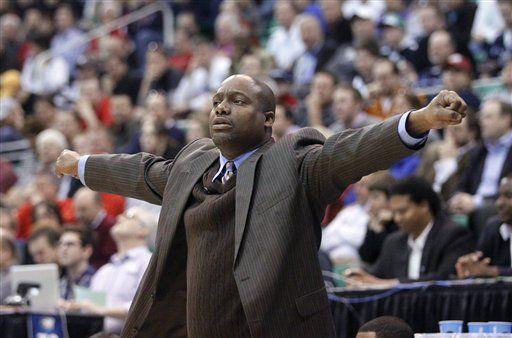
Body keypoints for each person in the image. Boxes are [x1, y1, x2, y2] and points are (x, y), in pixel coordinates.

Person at [56, 74, 467, 338]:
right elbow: (145, 172)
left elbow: (349, 151)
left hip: (275, 326)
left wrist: (417, 122)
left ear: (268, 119)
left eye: (236, 100)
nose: (221, 107)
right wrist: (83, 165)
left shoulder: (294, 160)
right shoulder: (193, 162)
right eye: (217, 99)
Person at [345, 177, 473, 286]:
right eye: (394, 212)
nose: (397, 218)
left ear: (423, 206)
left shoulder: (453, 234)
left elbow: (445, 279)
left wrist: (390, 284)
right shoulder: (394, 241)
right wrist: (362, 279)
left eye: (402, 211)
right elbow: (377, 275)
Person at [63, 207, 153, 334]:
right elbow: (89, 306)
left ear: (144, 231)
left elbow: (146, 306)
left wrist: (101, 310)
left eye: (130, 216)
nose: (119, 218)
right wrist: (72, 306)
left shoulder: (148, 262)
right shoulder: (105, 270)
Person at [456, 175, 512, 277]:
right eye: (499, 196)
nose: (499, 203)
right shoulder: (493, 228)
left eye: (508, 196)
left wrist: (495, 272)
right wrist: (470, 266)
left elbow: (490, 271)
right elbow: (481, 264)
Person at [73, 188, 117, 268]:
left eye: (83, 210)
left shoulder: (111, 229)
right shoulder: (83, 226)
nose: (78, 215)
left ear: (99, 206)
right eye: (76, 210)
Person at [57, 226, 96, 300]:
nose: (63, 249)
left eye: (70, 244)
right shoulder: (62, 282)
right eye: (60, 244)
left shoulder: (96, 281)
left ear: (87, 251)